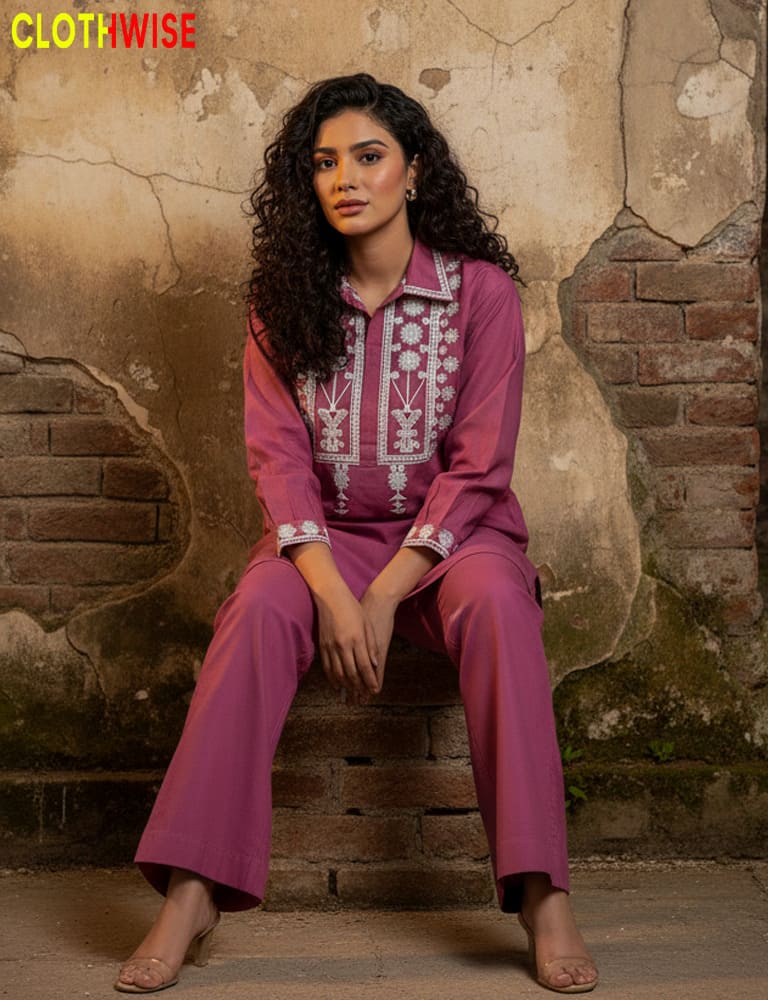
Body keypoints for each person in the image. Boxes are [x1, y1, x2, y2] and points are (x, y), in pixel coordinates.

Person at [115, 72, 598, 995]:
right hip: (321, 539)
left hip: (457, 540)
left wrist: (384, 595)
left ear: (414, 172)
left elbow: (480, 464)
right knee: (258, 607)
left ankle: (542, 892)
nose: (346, 177)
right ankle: (191, 890)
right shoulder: (282, 299)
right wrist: (335, 590)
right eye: (324, 162)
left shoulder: (481, 296)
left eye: (369, 157)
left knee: (499, 603)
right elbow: (278, 460)